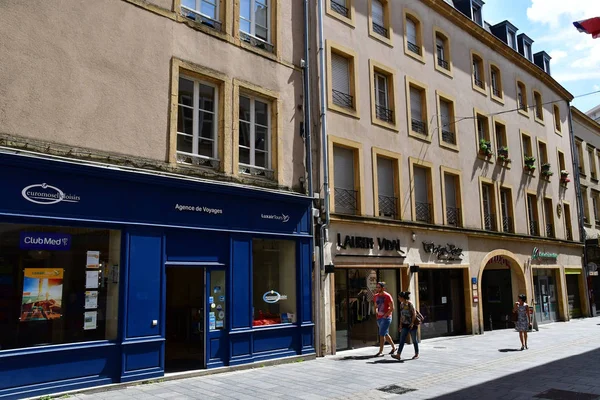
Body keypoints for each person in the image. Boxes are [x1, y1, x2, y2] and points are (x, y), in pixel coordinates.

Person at [392, 291, 419, 360]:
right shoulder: (401, 304)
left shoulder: (410, 304)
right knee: (402, 340)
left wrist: (412, 323)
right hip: (404, 324)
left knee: (414, 340)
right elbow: (402, 315)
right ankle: (398, 354)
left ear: (402, 297)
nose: (398, 298)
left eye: (399, 297)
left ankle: (416, 354)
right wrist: (400, 325)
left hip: (411, 325)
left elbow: (414, 314)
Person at [373, 281, 396, 356]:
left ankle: (380, 351)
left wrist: (386, 315)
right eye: (377, 287)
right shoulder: (376, 296)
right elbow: (376, 306)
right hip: (379, 317)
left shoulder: (387, 296)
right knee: (385, 333)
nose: (377, 289)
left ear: (383, 288)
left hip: (386, 318)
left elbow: (392, 308)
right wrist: (376, 312)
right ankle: (394, 347)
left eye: (379, 287)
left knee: (381, 334)